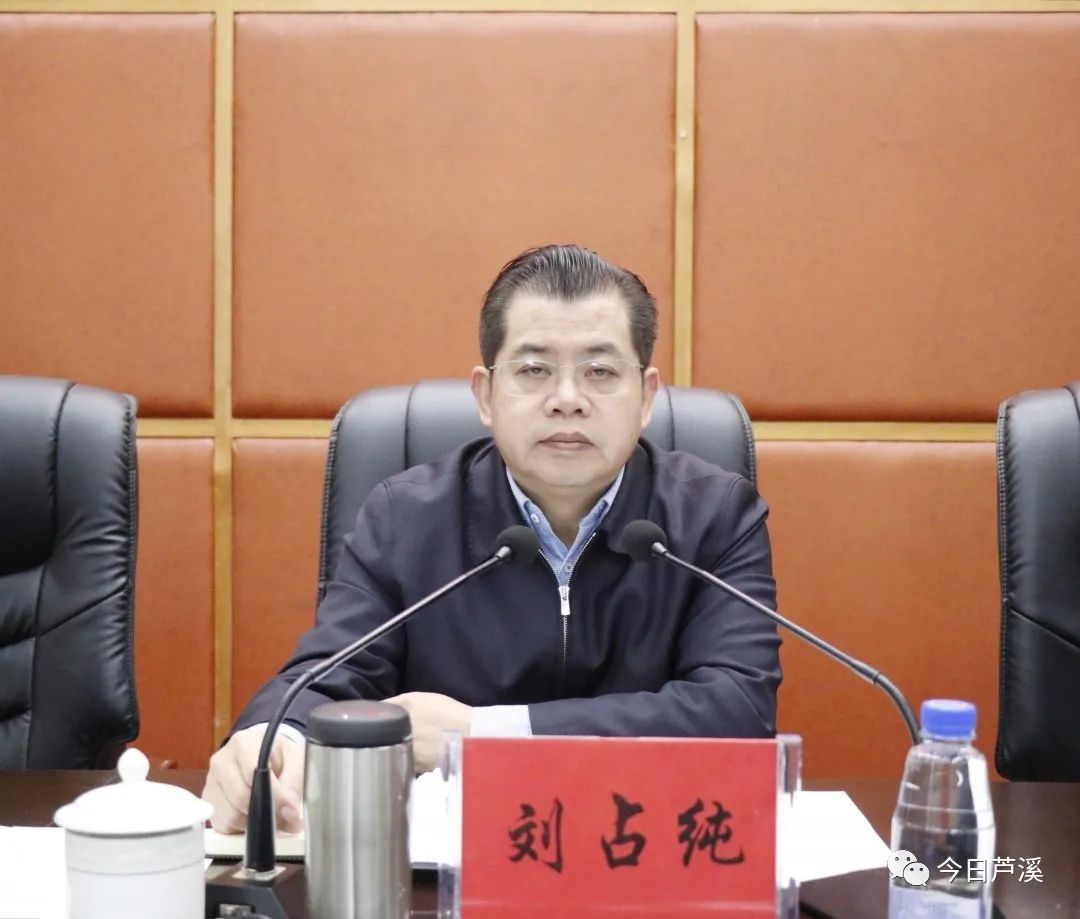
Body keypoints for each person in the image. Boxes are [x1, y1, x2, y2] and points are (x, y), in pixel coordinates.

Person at [202, 244, 782, 834]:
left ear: (647, 397)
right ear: (484, 395)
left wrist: (483, 735)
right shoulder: (405, 518)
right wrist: (275, 740)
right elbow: (327, 677)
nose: (567, 400)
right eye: (534, 370)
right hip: (447, 860)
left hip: (647, 845)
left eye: (601, 372)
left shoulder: (715, 516)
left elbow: (738, 709)